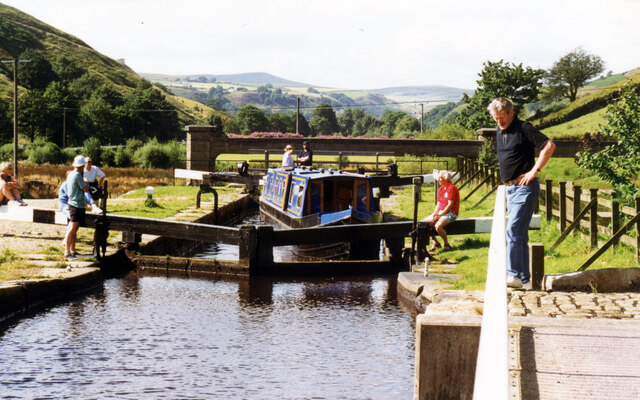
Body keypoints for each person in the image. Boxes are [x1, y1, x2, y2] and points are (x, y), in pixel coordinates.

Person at [488, 97, 556, 289]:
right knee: (519, 235)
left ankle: (514, 275)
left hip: (524, 188)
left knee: (514, 230)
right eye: (495, 118)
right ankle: (525, 280)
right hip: (509, 189)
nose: (499, 122)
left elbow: (549, 146)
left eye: (502, 117)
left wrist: (535, 171)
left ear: (512, 112)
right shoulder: (499, 131)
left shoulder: (524, 128)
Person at [424, 170, 459, 252]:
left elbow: (450, 205)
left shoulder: (452, 188)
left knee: (438, 226)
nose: (438, 179)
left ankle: (446, 244)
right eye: (438, 178)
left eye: (440, 178)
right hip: (441, 212)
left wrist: (441, 214)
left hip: (451, 213)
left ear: (446, 178)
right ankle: (435, 242)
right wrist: (435, 214)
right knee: (424, 223)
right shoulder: (440, 189)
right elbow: (438, 205)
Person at [63, 155, 90, 260]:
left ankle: (72, 250)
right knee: (73, 229)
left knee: (74, 229)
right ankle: (67, 252)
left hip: (73, 204)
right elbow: (85, 189)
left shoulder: (70, 174)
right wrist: (86, 182)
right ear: (82, 166)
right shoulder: (78, 175)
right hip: (76, 205)